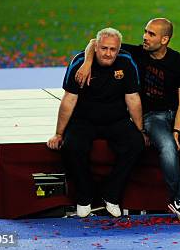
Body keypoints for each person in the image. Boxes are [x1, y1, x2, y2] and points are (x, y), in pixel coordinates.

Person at [76, 18, 180, 222]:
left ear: (165, 39)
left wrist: (177, 130)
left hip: (178, 115)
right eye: (145, 31)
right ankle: (178, 201)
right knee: (167, 146)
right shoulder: (135, 54)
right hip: (151, 116)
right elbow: (94, 42)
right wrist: (87, 62)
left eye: (151, 34)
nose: (145, 37)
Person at [47, 27, 147, 218]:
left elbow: (133, 98)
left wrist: (140, 130)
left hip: (116, 120)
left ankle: (111, 195)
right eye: (104, 48)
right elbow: (69, 99)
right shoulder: (79, 63)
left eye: (113, 49)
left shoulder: (126, 62)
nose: (108, 53)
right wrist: (59, 133)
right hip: (83, 120)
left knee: (136, 143)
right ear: (96, 47)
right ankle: (85, 196)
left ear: (118, 50)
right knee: (71, 147)